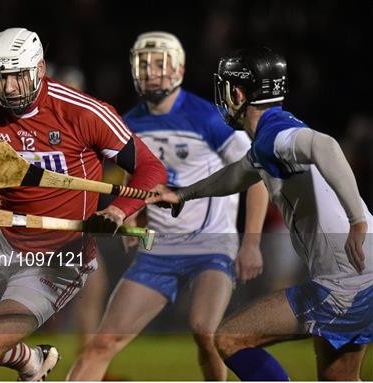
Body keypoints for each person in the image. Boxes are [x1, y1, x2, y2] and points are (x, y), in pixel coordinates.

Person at [0, 27, 167, 381]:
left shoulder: (82, 112)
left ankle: (38, 361)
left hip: (59, 256)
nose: (7, 88)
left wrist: (118, 210)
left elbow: (150, 167)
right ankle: (32, 361)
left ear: (39, 69)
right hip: (0, 244)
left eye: (16, 76)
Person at [147, 47, 373, 381]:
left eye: (225, 88)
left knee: (230, 337)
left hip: (344, 281)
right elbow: (238, 173)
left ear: (237, 92)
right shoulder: (272, 136)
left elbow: (325, 146)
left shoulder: (273, 136)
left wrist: (357, 218)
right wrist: (182, 194)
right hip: (364, 272)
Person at [67, 31, 269, 381]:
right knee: (102, 344)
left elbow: (257, 178)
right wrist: (136, 214)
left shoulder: (209, 118)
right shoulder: (127, 124)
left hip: (211, 245)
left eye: (160, 63)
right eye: (144, 64)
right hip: (158, 251)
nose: (152, 71)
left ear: (179, 68)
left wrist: (251, 243)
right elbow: (138, 183)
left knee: (206, 332)